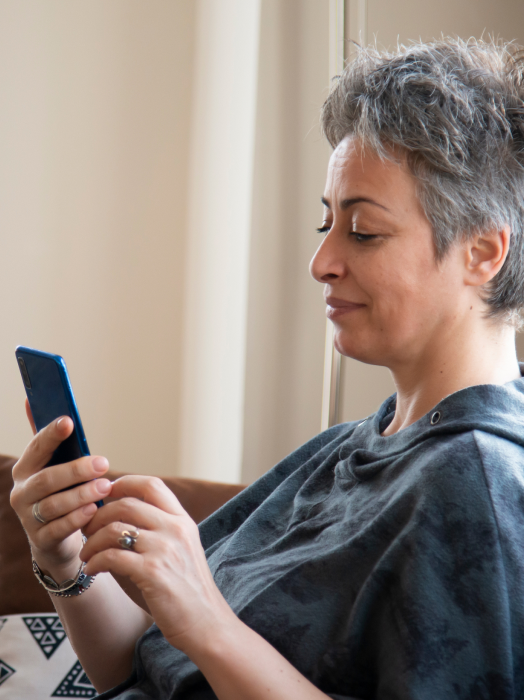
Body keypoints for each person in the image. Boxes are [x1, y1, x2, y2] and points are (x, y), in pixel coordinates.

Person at [10, 37, 524, 699]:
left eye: (363, 230)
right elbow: (138, 668)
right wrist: (64, 563)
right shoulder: (344, 451)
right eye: (326, 224)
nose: (323, 263)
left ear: (482, 252)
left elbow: (200, 637)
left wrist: (206, 619)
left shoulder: (476, 485)